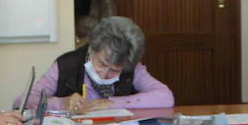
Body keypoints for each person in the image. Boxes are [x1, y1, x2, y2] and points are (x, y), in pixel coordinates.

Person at [20, 16, 174, 113]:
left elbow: (165, 97)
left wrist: (111, 103)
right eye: (101, 63)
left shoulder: (131, 67)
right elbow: (22, 102)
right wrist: (62, 102)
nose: (104, 74)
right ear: (92, 48)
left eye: (114, 70)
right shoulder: (67, 65)